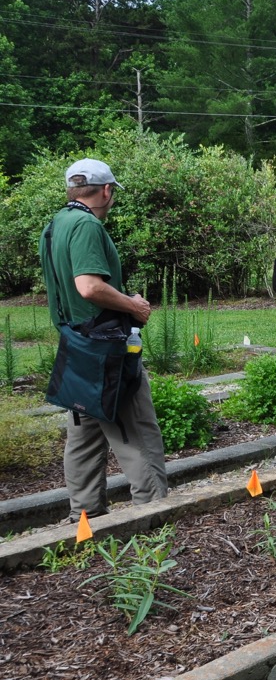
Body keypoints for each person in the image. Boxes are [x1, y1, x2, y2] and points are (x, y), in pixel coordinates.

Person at [39, 158, 168, 519]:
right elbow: (89, 286)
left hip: (76, 346)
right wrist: (134, 305)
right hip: (105, 349)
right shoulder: (86, 225)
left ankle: (85, 516)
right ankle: (153, 517)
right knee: (134, 430)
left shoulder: (54, 225)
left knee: (84, 433)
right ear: (107, 191)